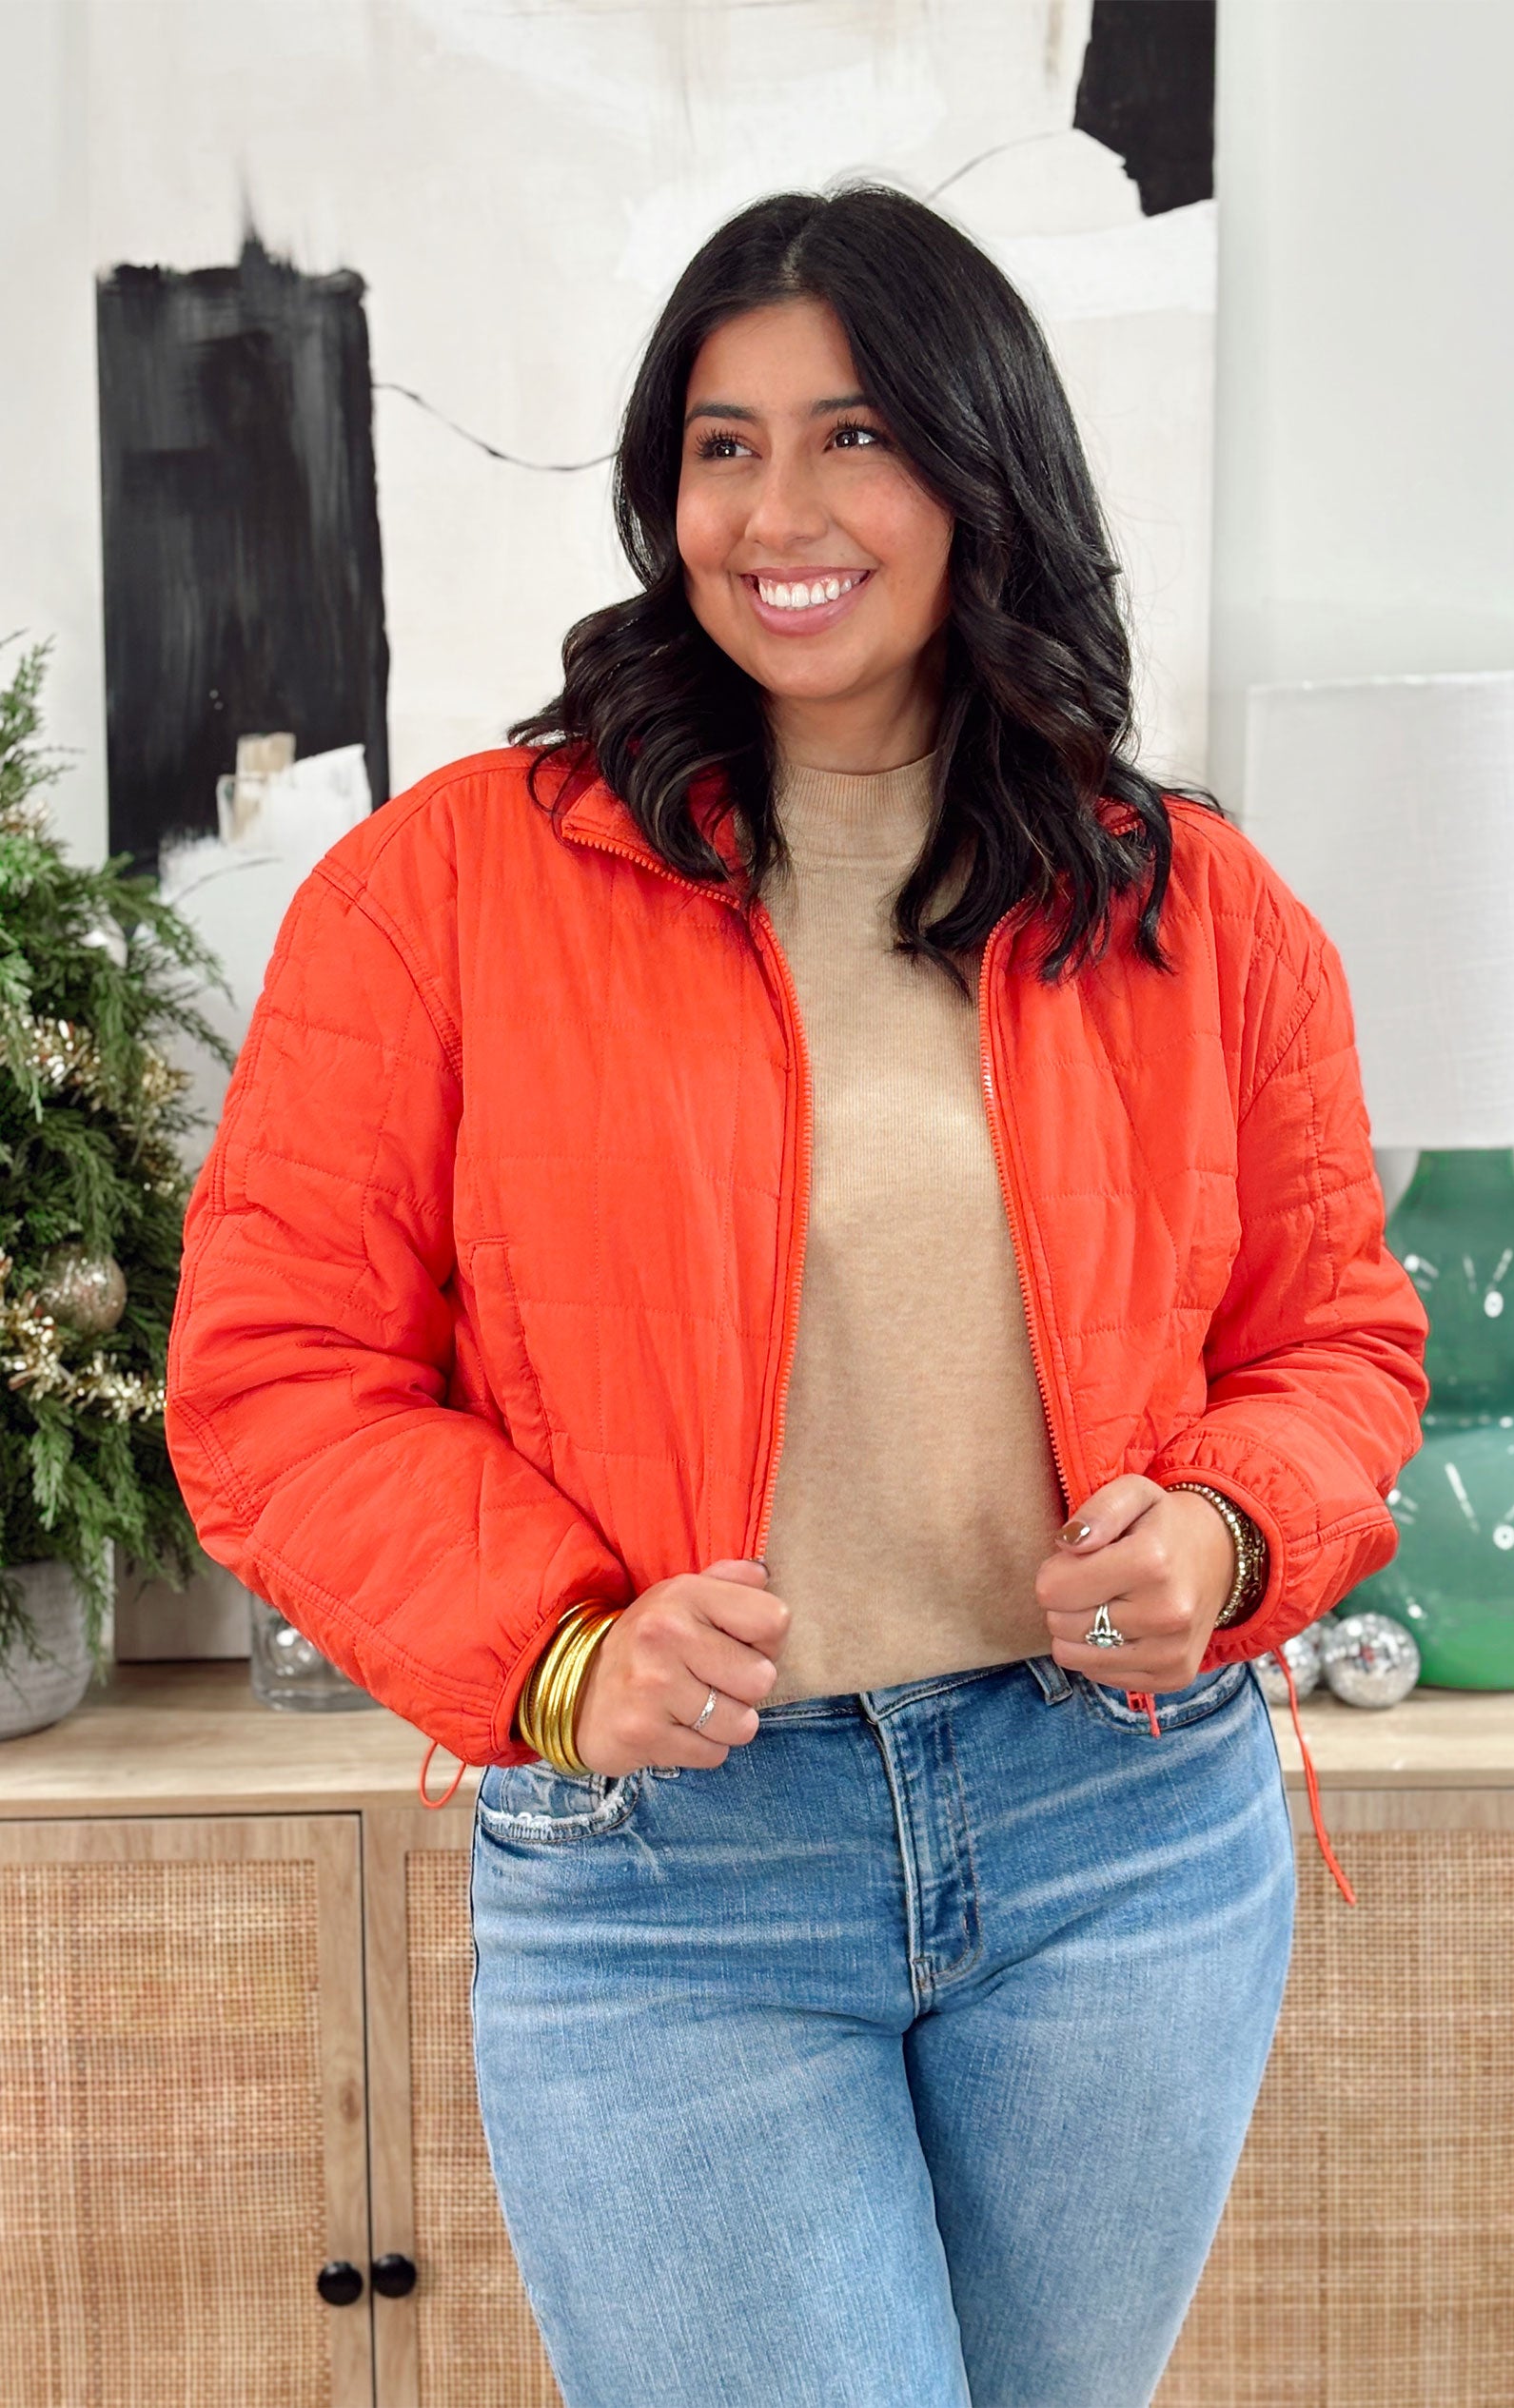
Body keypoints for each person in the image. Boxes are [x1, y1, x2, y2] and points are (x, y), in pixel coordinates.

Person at [166, 185, 1430, 2408]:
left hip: (1122, 1840)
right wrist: (561, 1647)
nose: (777, 513)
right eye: (721, 446)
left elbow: (1333, 1334)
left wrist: (1228, 1532)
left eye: (851, 436)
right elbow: (275, 1377)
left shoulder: (1194, 911)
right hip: (677, 1879)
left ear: (974, 465)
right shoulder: (443, 894)